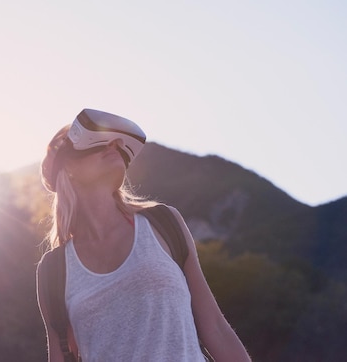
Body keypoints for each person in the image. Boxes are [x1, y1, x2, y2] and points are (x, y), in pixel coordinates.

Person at [36, 109, 251, 362]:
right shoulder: (54, 270)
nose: (113, 145)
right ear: (69, 167)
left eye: (117, 142)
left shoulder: (163, 223)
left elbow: (215, 327)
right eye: (98, 143)